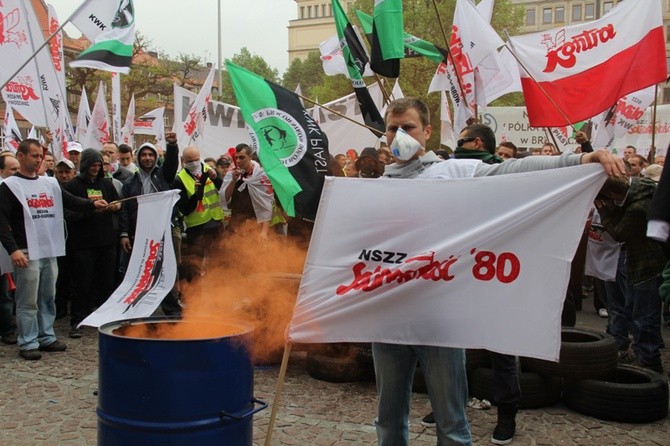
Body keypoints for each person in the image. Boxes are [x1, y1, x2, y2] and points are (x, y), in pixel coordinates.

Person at [377, 98, 625, 446]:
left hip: (440, 321)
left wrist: (582, 159)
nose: (399, 135)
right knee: (387, 421)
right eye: (392, 128)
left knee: (451, 423)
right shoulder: (373, 187)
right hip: (386, 322)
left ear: (428, 132)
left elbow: (517, 171)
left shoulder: (454, 172)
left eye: (408, 127)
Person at [0, 139, 108, 360]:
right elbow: (1, 221)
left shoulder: (49, 183)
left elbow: (69, 200)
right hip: (27, 250)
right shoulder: (10, 186)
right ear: (20, 156)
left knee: (48, 295)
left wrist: (91, 204)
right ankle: (28, 341)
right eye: (34, 156)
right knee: (27, 299)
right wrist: (13, 249)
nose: (38, 160)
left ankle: (46, 335)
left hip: (49, 248)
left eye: (40, 156)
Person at [119, 134, 181, 316]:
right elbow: (124, 209)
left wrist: (172, 146)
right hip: (139, 234)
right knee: (141, 271)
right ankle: (138, 309)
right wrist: (123, 233)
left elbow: (171, 164)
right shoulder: (130, 183)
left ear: (155, 157)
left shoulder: (164, 176)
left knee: (165, 269)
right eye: (144, 155)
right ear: (138, 158)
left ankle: (171, 309)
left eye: (151, 155)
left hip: (163, 231)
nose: (147, 158)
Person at [64, 149, 121, 338]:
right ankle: (78, 321)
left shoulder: (107, 184)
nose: (96, 169)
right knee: (83, 283)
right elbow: (68, 215)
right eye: (92, 165)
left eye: (99, 165)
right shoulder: (73, 185)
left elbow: (118, 205)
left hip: (107, 242)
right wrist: (90, 211)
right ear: (85, 165)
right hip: (84, 243)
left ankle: (104, 319)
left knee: (106, 282)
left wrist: (116, 206)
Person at [173, 146, 223, 277]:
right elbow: (184, 209)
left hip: (216, 222)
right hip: (196, 228)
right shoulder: (180, 179)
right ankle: (194, 293)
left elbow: (223, 190)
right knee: (194, 265)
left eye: (196, 159)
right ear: (183, 161)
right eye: (190, 161)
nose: (194, 163)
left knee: (219, 262)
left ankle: (220, 290)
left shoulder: (209, 170)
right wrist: (195, 195)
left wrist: (216, 178)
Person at [220, 143, 274, 238]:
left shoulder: (261, 175)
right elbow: (225, 198)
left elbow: (266, 204)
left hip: (255, 223)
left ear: (250, 157)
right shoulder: (231, 173)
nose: (238, 161)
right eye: (236, 158)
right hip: (236, 222)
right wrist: (233, 180)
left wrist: (264, 231)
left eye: (242, 157)